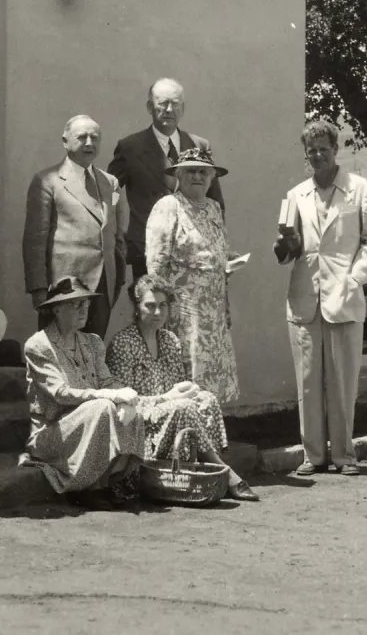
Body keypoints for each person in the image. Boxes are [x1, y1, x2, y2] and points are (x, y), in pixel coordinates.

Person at [275, 120, 367, 477]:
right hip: (305, 297)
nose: (318, 155)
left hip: (344, 295)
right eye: (312, 150)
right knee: (308, 380)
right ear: (305, 154)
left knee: (342, 381)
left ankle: (343, 455)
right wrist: (285, 247)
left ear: (335, 149)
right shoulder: (296, 195)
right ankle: (313, 456)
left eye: (324, 148)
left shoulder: (360, 190)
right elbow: (288, 251)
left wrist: (355, 278)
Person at [106, 275, 258, 501]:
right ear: (136, 308)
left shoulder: (169, 340)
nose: (158, 312)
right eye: (150, 306)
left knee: (206, 399)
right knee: (185, 407)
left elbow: (177, 384)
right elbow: (123, 401)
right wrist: (167, 398)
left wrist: (189, 389)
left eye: (163, 305)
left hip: (170, 415)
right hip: (140, 423)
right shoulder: (122, 343)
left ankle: (201, 470)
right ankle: (225, 473)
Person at [23, 278, 145, 511]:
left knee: (128, 407)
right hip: (53, 432)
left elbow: (107, 381)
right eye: (75, 304)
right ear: (57, 309)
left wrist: (124, 393)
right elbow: (60, 393)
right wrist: (108, 396)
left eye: (86, 304)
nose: (84, 309)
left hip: (87, 425)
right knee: (102, 407)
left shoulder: (92, 342)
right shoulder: (39, 345)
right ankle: (85, 488)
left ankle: (108, 480)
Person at [145, 147, 241, 403]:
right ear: (178, 175)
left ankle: (212, 433)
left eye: (203, 172)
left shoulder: (213, 207)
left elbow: (214, 248)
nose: (197, 176)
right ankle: (189, 436)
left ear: (212, 177)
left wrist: (228, 258)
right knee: (188, 373)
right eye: (190, 171)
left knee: (213, 375)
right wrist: (160, 311)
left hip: (215, 309)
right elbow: (155, 263)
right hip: (184, 310)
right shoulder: (169, 206)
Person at [108, 78, 224, 281]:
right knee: (153, 310)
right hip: (148, 250)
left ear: (183, 108)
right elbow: (109, 195)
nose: (169, 109)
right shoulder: (130, 147)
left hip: (194, 253)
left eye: (175, 103)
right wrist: (120, 236)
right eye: (162, 103)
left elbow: (215, 201)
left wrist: (217, 245)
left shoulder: (199, 145)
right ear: (150, 106)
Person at [23, 114, 124, 338]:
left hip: (102, 287)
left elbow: (117, 236)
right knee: (60, 355)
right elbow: (35, 240)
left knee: (93, 352)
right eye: (82, 137)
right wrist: (38, 289)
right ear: (65, 141)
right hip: (63, 289)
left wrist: (116, 279)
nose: (89, 143)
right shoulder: (47, 181)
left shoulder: (110, 183)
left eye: (94, 138)